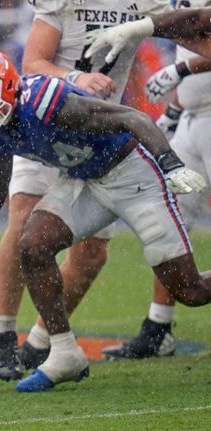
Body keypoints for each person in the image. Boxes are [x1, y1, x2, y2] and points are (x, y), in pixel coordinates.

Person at [0, 48, 211, 393]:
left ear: (5, 90)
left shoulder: (45, 101)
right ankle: (63, 352)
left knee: (191, 291)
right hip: (85, 181)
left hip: (133, 176)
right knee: (32, 244)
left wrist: (170, 164)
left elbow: (132, 118)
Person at [0, 0, 173, 381]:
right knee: (23, 215)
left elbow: (184, 22)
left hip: (94, 133)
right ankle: (3, 334)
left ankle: (42, 340)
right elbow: (34, 63)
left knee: (91, 255)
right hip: (44, 119)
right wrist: (74, 79)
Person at [102, 0, 211, 360]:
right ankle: (158, 327)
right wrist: (176, 109)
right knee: (169, 221)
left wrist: (180, 69)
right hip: (194, 118)